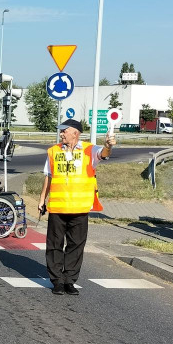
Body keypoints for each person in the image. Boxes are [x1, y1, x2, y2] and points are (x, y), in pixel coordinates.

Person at [37, 119, 116, 296]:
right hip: (58, 207)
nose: (61, 133)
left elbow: (104, 153)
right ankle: (57, 281)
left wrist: (109, 145)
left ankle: (69, 281)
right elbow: (48, 177)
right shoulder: (53, 151)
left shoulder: (89, 150)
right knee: (54, 245)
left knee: (76, 246)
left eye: (64, 131)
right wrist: (42, 199)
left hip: (80, 208)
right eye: (61, 131)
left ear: (75, 132)